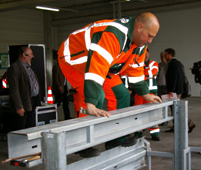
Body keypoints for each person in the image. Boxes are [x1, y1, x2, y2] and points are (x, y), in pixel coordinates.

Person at [58, 12, 162, 157]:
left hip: (103, 65)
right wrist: (91, 102)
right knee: (95, 96)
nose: (150, 41)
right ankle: (81, 144)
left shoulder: (139, 44)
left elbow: (135, 70)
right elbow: (96, 67)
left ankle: (116, 139)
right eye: (149, 36)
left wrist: (146, 94)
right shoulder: (113, 35)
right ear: (139, 27)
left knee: (122, 94)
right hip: (75, 60)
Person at [7, 46, 41, 130]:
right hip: (23, 104)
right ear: (24, 55)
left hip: (32, 102)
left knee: (30, 126)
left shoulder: (28, 67)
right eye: (30, 55)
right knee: (22, 127)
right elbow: (14, 89)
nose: (32, 56)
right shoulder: (15, 67)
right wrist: (19, 106)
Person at [133, 48, 160, 141]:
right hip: (139, 94)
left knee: (153, 113)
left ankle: (155, 133)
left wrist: (140, 73)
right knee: (138, 113)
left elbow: (152, 73)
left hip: (152, 93)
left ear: (148, 53)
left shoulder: (154, 64)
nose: (145, 55)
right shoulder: (136, 64)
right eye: (143, 54)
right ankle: (138, 132)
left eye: (146, 53)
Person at [52, 52, 71, 120]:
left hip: (64, 87)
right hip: (59, 88)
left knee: (66, 103)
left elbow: (65, 78)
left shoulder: (63, 67)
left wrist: (66, 87)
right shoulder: (56, 67)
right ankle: (52, 114)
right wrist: (59, 86)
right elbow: (55, 79)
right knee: (58, 102)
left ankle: (67, 117)